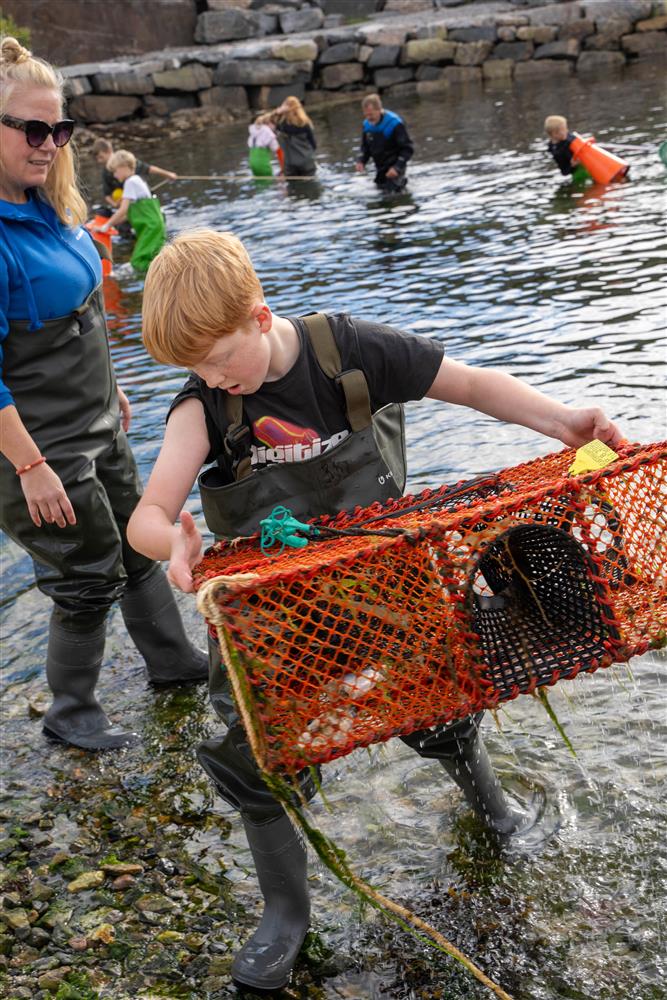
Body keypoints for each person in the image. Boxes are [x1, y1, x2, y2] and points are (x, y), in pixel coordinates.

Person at [127, 228, 624, 992]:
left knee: (441, 696)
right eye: (194, 369)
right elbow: (148, 513)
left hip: (386, 584)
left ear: (260, 318)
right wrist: (174, 543)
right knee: (256, 751)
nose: (212, 378)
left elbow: (470, 384)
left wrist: (563, 421)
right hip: (274, 611)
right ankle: (285, 913)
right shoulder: (203, 407)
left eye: (219, 359)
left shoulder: (349, 351)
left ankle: (493, 812)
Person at [0, 37, 208, 753]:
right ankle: (72, 713)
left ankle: (175, 664)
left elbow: (86, 317)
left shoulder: (51, 208)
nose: (48, 144)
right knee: (85, 576)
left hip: (97, 422)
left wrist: (114, 389)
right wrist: (29, 466)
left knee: (137, 541)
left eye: (58, 130)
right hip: (34, 450)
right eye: (31, 129)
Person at [96, 149, 167, 274]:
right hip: (155, 225)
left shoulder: (130, 182)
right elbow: (129, 214)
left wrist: (106, 226)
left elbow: (123, 210)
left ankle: (149, 284)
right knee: (155, 257)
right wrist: (111, 224)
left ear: (123, 167)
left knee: (138, 261)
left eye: (115, 171)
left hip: (150, 228)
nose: (114, 175)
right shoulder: (137, 180)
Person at [91, 137, 176, 216]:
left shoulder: (124, 160)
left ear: (109, 150)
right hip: (127, 205)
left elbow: (149, 168)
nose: (99, 161)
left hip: (142, 203)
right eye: (97, 159)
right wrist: (115, 204)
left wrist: (168, 174)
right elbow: (107, 194)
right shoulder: (105, 172)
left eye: (101, 157)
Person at [355, 92, 414, 193]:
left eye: (371, 114)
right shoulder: (367, 125)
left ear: (379, 110)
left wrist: (397, 167)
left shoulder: (395, 123)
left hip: (395, 165)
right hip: (380, 166)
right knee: (380, 191)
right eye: (366, 114)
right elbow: (365, 147)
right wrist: (361, 161)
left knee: (393, 194)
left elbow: (407, 149)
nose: (369, 118)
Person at [274, 96, 317, 177]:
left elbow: (267, 122)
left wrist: (277, 113)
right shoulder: (305, 124)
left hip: (290, 164)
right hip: (306, 162)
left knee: (292, 187)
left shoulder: (282, 125)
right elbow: (313, 145)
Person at [247, 111, 280, 178]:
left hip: (253, 165)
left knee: (259, 183)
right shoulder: (268, 133)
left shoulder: (252, 134)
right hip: (263, 166)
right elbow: (278, 151)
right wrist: (283, 170)